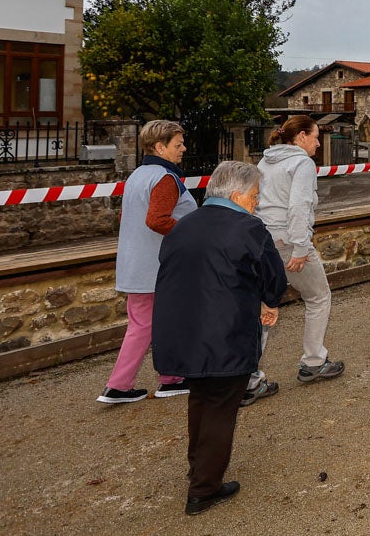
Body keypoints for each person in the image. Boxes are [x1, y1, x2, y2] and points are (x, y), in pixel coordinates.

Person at [152, 161, 286, 516]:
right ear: (238, 195)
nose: (256, 203)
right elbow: (273, 278)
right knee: (221, 406)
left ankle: (198, 467)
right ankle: (204, 488)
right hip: (224, 332)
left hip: (181, 328)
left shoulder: (184, 225)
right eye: (255, 196)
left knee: (200, 399)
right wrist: (269, 302)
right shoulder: (249, 228)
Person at [97, 120, 199, 405]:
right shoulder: (165, 178)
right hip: (159, 265)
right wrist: (192, 232)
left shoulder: (138, 175)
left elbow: (126, 217)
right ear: (160, 147)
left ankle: (124, 384)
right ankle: (168, 378)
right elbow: (157, 220)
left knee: (143, 324)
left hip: (136, 263)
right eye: (178, 145)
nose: (183, 149)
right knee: (165, 322)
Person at [254, 114, 343, 388]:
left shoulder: (264, 161)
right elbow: (299, 207)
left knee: (265, 305)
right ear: (301, 136)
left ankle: (247, 374)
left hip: (262, 240)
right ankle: (314, 362)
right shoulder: (302, 163)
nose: (318, 143)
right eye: (315, 137)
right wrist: (301, 247)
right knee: (318, 297)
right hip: (289, 240)